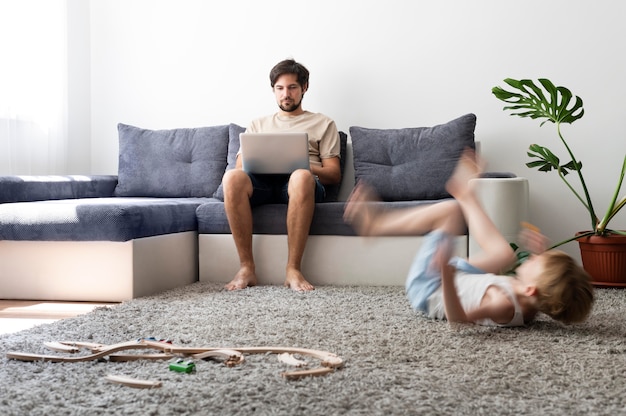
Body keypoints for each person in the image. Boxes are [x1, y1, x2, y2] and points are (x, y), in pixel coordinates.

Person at [343, 149, 594, 326]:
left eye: (533, 262)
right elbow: (541, 288)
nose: (528, 259)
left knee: (450, 211)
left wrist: (445, 273)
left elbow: (458, 319)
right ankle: (467, 196)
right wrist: (542, 257)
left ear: (531, 288)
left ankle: (376, 225)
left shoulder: (502, 304)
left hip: (431, 288)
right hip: (461, 277)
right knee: (506, 253)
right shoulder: (530, 302)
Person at [221, 59, 341, 292]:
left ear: (304, 87)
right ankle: (246, 268)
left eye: (292, 87)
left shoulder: (323, 123)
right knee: (232, 178)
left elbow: (333, 173)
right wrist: (267, 159)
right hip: (262, 183)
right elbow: (239, 166)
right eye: (280, 88)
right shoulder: (258, 124)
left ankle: (293, 269)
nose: (286, 94)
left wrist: (299, 164)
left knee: (300, 176)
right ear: (274, 90)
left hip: (302, 184)